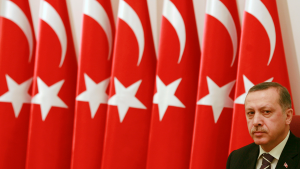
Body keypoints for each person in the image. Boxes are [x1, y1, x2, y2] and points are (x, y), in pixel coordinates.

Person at [226, 82, 300, 169]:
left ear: (288, 116)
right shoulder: (236, 158)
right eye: (251, 113)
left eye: (266, 111)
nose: (256, 122)